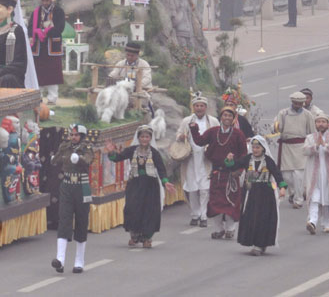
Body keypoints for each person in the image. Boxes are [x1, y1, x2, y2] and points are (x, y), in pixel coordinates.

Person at [105, 125, 176, 248]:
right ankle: (134, 236)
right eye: (142, 136)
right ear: (138, 138)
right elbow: (117, 158)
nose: (144, 139)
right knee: (132, 209)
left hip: (150, 186)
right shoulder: (132, 150)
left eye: (147, 136)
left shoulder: (154, 153)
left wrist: (165, 182)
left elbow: (161, 169)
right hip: (135, 185)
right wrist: (111, 151)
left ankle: (147, 238)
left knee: (149, 211)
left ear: (150, 138)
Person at [189, 106, 247, 240]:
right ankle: (218, 229)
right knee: (215, 203)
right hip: (216, 173)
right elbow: (200, 141)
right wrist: (193, 128)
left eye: (230, 116)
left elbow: (244, 154)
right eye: (225, 115)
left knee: (230, 202)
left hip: (232, 174)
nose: (227, 118)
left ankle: (230, 229)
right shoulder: (213, 132)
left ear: (233, 119)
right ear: (221, 117)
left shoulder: (238, 134)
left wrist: (239, 170)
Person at [224, 136, 287, 256]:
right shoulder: (248, 159)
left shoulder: (268, 161)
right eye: (253, 147)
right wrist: (229, 160)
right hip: (251, 194)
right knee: (251, 218)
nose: (255, 149)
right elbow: (234, 166)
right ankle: (254, 243)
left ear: (263, 148)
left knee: (263, 219)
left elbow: (277, 174)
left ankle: (260, 244)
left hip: (265, 195)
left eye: (257, 147)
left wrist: (282, 188)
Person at [50, 124, 94, 274]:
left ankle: (79, 261)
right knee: (64, 219)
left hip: (83, 187)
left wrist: (79, 159)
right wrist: (56, 158)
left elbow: (88, 160)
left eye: (76, 135)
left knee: (82, 221)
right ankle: (60, 260)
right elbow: (54, 160)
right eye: (71, 134)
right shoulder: (65, 146)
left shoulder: (86, 148)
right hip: (67, 186)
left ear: (81, 136)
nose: (73, 137)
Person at [177, 92, 219, 227]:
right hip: (190, 158)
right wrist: (181, 137)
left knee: (205, 188)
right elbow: (178, 134)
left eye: (201, 105)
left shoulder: (213, 121)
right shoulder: (186, 121)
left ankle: (204, 215)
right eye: (197, 105)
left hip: (206, 159)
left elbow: (218, 137)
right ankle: (195, 214)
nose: (199, 108)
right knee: (192, 188)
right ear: (193, 107)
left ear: (205, 107)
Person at [273, 92, 315, 209]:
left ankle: (299, 199)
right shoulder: (283, 113)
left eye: (300, 103)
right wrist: (275, 127)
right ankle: (293, 192)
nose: (297, 105)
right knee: (287, 176)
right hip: (287, 147)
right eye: (295, 103)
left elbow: (312, 132)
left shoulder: (307, 115)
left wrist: (312, 146)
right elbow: (277, 127)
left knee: (299, 175)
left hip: (301, 147)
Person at [28, 0, 65, 105]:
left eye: (47, 0)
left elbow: (60, 28)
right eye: (43, 0)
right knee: (38, 72)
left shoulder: (58, 11)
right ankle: (37, 97)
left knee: (52, 73)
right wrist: (36, 32)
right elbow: (30, 27)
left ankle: (52, 98)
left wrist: (47, 32)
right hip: (39, 47)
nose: (45, 2)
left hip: (51, 46)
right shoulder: (36, 12)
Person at [303, 113, 329, 234]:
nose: (320, 124)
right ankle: (313, 221)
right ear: (315, 124)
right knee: (314, 198)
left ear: (328, 124)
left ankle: (326, 223)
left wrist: (325, 145)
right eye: (318, 122)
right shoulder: (310, 137)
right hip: (314, 173)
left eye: (323, 122)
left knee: (327, 198)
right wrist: (316, 145)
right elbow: (305, 151)